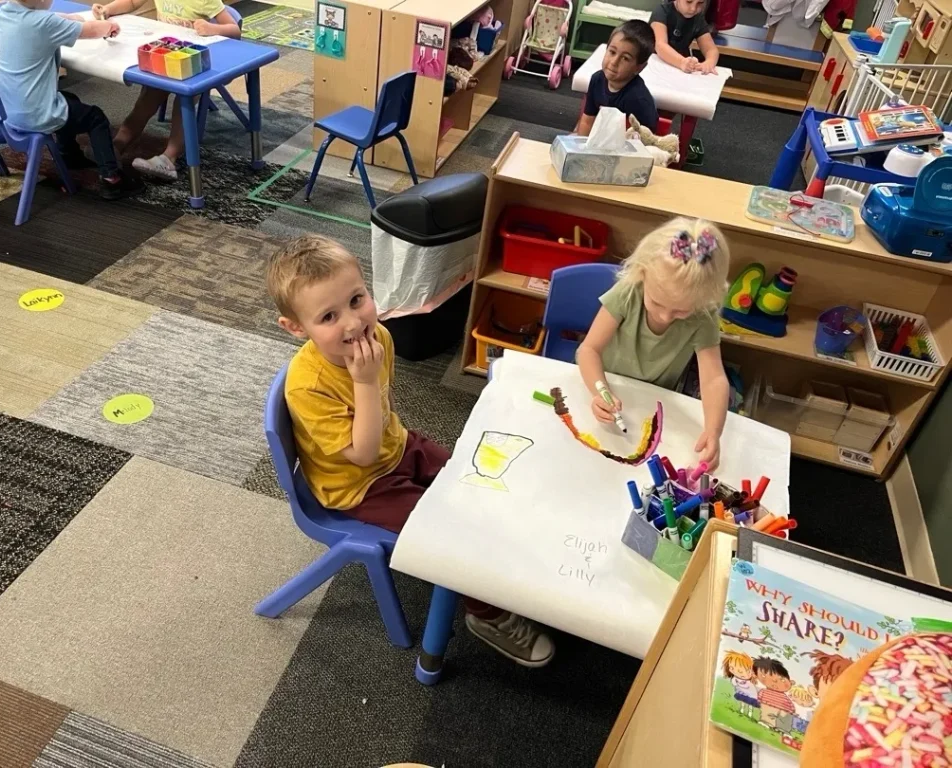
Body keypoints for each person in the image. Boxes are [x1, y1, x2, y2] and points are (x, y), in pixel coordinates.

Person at [266, 235, 555, 668]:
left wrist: (383, 411)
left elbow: (384, 410)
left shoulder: (379, 334)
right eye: (328, 316)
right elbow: (362, 455)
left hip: (398, 446)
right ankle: (487, 614)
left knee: (478, 483)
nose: (353, 323)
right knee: (450, 535)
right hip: (359, 487)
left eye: (357, 300)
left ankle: (501, 561)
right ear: (295, 327)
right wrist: (363, 383)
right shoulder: (307, 386)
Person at [577, 217, 731, 470]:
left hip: (654, 400)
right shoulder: (628, 292)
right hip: (607, 383)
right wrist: (598, 392)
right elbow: (588, 350)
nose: (665, 316)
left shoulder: (703, 315)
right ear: (642, 272)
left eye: (681, 311)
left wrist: (714, 431)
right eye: (657, 303)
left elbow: (713, 379)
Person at [0, 0, 145, 200]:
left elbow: (46, 19)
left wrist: (68, 18)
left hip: (7, 109)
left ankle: (69, 155)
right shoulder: (44, 23)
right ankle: (112, 179)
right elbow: (89, 30)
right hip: (35, 114)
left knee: (69, 98)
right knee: (95, 117)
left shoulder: (4, 14)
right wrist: (109, 26)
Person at [91, 0, 241, 181]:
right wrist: (108, 9)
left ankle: (169, 158)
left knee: (184, 102)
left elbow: (234, 29)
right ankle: (118, 144)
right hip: (164, 57)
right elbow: (131, 2)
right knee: (146, 101)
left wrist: (212, 28)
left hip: (192, 63)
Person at [576, 20, 659, 136]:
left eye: (625, 58)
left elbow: (646, 141)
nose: (614, 62)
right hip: (602, 137)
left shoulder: (638, 99)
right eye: (612, 52)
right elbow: (587, 121)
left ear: (639, 68)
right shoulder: (597, 80)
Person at [650, 0, 720, 74]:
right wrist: (681, 62)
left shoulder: (698, 19)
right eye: (689, 2)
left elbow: (711, 49)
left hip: (679, 70)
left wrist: (709, 63)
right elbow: (660, 45)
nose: (693, 8)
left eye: (700, 3)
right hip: (655, 64)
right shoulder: (662, 11)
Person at [753, 657, 796, 731]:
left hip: (784, 710)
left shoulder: (784, 697)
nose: (775, 682)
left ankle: (784, 730)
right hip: (768, 706)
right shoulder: (764, 691)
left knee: (785, 720)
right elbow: (760, 697)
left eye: (782, 679)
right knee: (767, 715)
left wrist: (791, 710)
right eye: (765, 676)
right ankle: (766, 722)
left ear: (790, 682)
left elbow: (790, 704)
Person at [722, 650, 759, 718]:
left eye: (740, 671)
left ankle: (750, 712)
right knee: (743, 701)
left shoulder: (748, 683)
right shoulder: (735, 679)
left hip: (750, 695)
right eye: (732, 668)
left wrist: (740, 683)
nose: (736, 672)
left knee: (749, 703)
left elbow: (747, 686)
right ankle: (741, 709)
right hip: (742, 693)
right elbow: (734, 682)